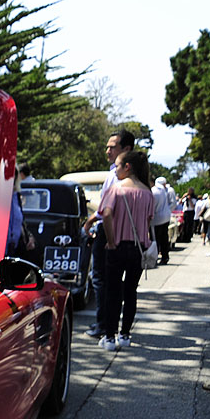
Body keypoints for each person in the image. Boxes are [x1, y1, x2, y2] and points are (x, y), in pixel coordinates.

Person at [97, 149, 153, 352]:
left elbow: (107, 214)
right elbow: (148, 221)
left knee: (112, 292)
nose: (115, 170)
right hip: (138, 249)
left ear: (127, 167)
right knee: (130, 291)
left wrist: (111, 241)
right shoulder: (147, 192)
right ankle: (125, 334)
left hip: (117, 247)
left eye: (118, 166)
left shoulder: (116, 189)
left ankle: (109, 337)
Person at [82, 129, 135, 339]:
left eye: (112, 147)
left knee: (101, 279)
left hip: (109, 229)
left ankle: (103, 324)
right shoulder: (133, 176)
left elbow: (106, 208)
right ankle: (112, 326)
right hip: (125, 233)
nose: (108, 151)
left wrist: (90, 221)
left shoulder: (117, 176)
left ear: (126, 149)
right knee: (117, 283)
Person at [151, 177, 173, 265]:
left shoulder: (154, 191)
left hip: (156, 219)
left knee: (155, 239)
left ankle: (154, 257)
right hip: (166, 217)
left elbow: (153, 206)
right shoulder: (164, 191)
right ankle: (165, 256)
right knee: (164, 238)